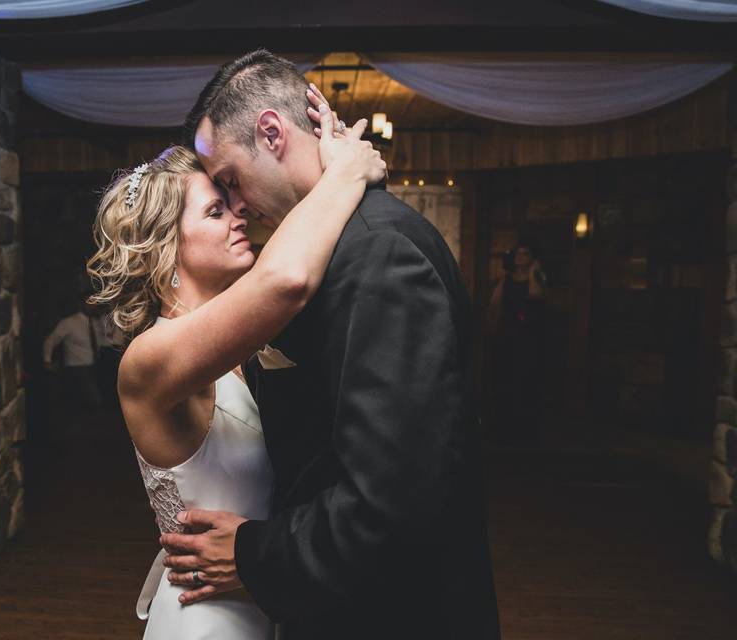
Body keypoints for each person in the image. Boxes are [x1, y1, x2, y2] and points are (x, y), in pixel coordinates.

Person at [158, 49, 501, 639]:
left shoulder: (378, 254)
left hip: (393, 616)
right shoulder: (332, 248)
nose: (238, 206)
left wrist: (251, 554)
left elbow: (392, 501)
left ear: (271, 131)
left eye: (233, 182)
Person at [86, 86, 384, 640]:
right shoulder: (148, 358)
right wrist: (345, 172)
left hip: (256, 593)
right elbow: (287, 278)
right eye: (215, 209)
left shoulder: (239, 347)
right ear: (166, 249)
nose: (239, 213)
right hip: (207, 616)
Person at [488, 242, 547, 444]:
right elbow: (495, 304)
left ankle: (526, 429)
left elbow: (536, 295)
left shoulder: (537, 276)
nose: (521, 257)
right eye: (518, 253)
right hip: (508, 333)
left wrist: (534, 271)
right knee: (506, 378)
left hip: (529, 334)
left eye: (526, 253)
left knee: (527, 379)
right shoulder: (505, 279)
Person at [42, 299, 110, 434]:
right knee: (93, 400)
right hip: (76, 367)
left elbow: (104, 342)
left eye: (96, 303)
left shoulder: (96, 322)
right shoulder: (69, 322)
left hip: (95, 366)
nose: (94, 306)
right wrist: (47, 360)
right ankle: (88, 433)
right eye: (91, 303)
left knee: (86, 402)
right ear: (82, 304)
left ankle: (85, 433)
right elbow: (50, 340)